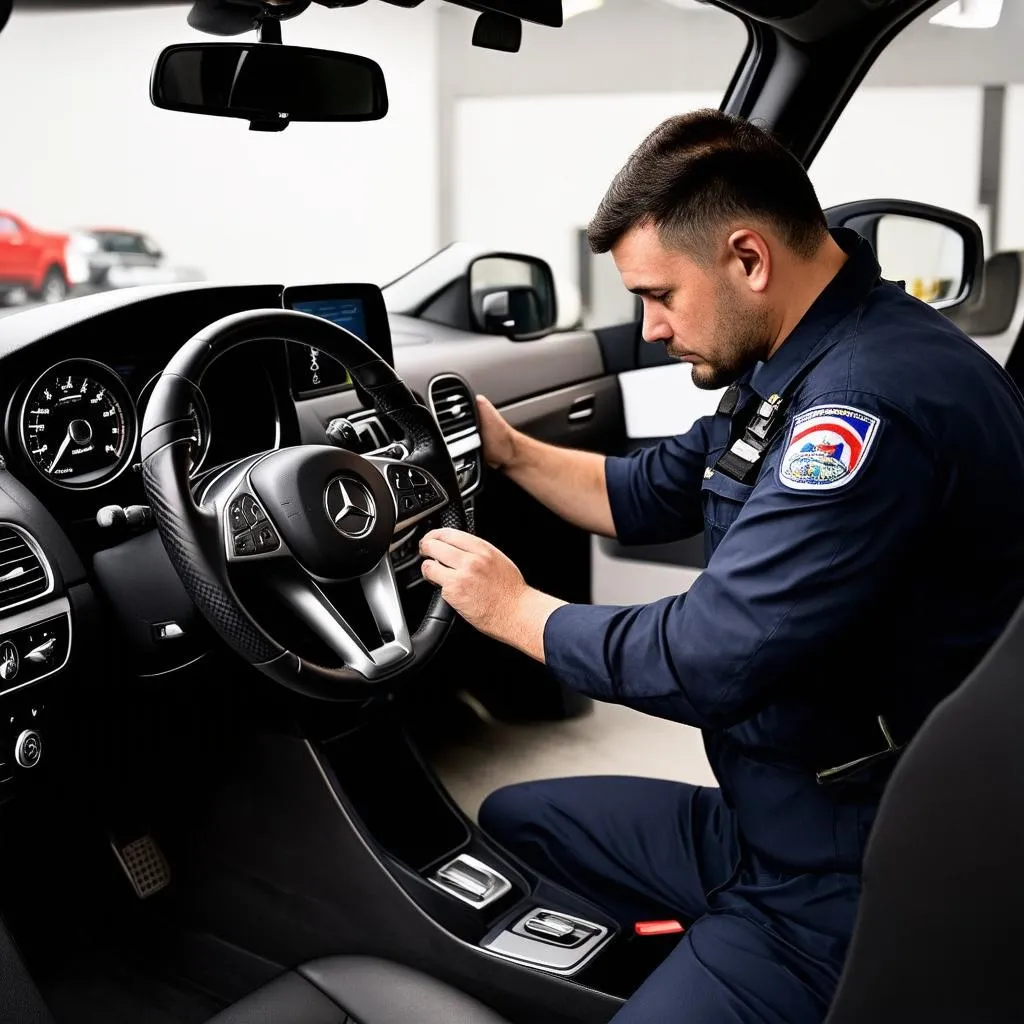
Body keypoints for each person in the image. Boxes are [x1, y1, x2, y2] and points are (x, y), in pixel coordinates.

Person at [418, 109, 1024, 1023]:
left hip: (852, 864)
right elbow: (649, 489)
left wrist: (513, 609)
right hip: (772, 812)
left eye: (660, 295)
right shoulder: (802, 356)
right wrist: (507, 452)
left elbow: (714, 655)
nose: (652, 328)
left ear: (748, 259)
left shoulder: (865, 406)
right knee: (515, 825)